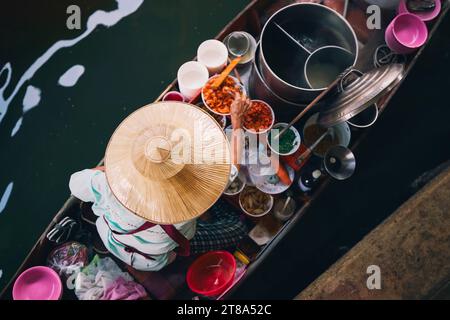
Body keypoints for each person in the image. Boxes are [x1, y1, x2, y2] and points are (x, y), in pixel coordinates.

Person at [69, 95, 249, 271]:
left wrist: (110, 172)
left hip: (114, 239)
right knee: (238, 228)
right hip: (157, 258)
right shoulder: (196, 188)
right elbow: (233, 164)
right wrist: (237, 121)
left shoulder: (107, 185)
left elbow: (74, 184)